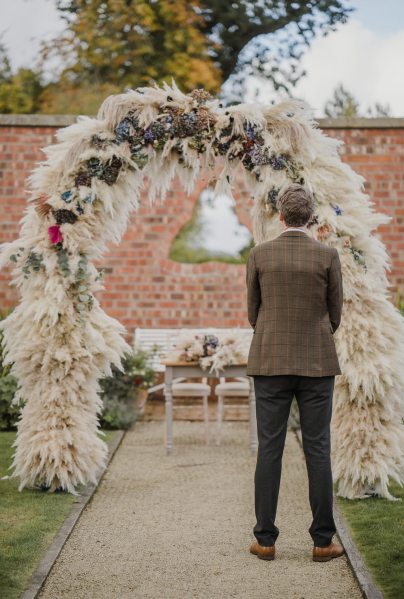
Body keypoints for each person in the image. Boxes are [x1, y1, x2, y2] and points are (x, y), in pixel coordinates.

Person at [245, 183, 345, 562]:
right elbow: (335, 312)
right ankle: (323, 542)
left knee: (270, 448)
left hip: (270, 361)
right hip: (317, 362)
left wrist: (273, 334)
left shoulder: (259, 254)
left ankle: (265, 540)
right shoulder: (327, 255)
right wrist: (316, 335)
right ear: (311, 217)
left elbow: (253, 312)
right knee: (318, 448)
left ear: (281, 216)